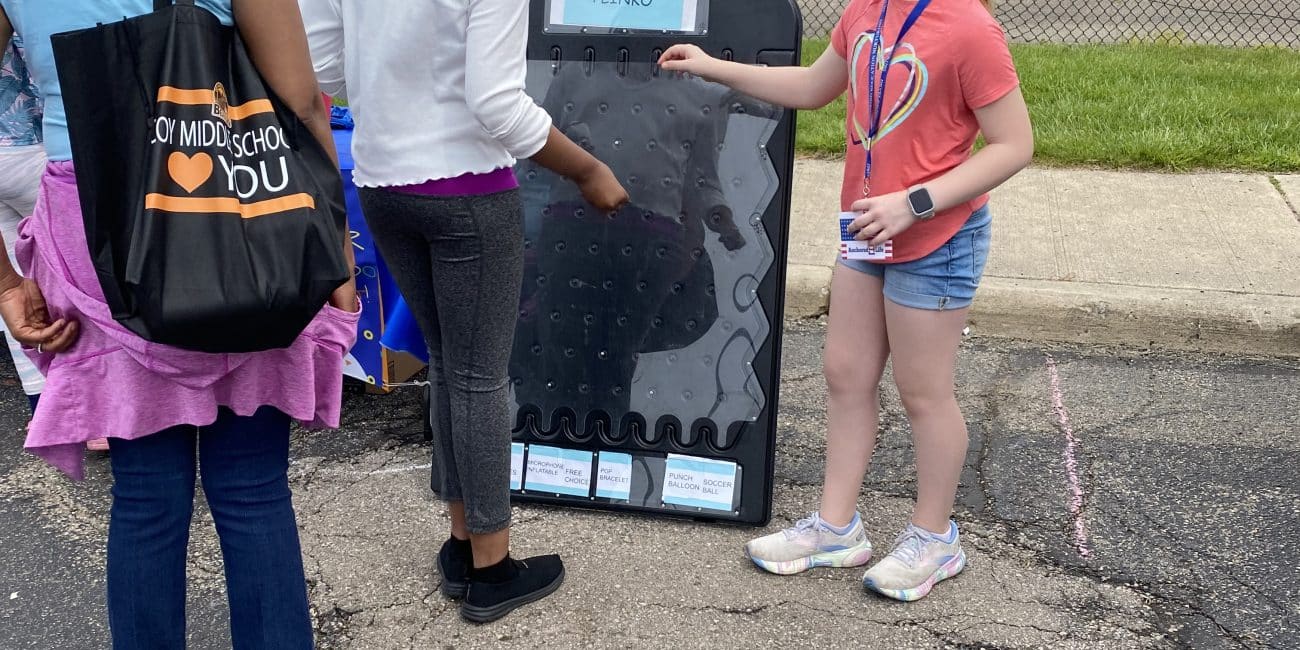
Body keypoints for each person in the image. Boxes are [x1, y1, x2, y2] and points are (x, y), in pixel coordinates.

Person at [0, 1, 359, 647]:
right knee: (253, 489)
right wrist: (336, 260)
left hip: (95, 220)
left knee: (144, 497)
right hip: (239, 204)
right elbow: (303, 103)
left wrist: (4, 281)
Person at [660, 0, 1033, 601]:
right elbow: (813, 86)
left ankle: (935, 539)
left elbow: (1014, 144)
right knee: (845, 374)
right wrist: (712, 66)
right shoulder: (866, 10)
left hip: (936, 237)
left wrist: (913, 204)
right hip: (866, 228)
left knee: (924, 392)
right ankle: (836, 529)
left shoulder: (969, 27)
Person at [299, 0, 627, 624]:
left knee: (449, 365)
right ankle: (492, 568)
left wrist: (394, 80)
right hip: (468, 189)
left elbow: (323, 66)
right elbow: (497, 103)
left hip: (382, 182)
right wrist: (588, 170)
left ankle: (462, 541)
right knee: (479, 377)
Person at [0, 36, 46, 414]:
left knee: (13, 287)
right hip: (36, 142)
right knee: (73, 278)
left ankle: (44, 409)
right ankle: (94, 414)